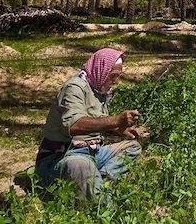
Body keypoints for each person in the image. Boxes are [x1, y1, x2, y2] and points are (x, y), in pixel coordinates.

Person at [33, 47, 147, 199]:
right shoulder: (74, 88)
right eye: (113, 76)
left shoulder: (99, 91)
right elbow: (74, 125)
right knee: (81, 165)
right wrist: (115, 120)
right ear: (102, 70)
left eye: (118, 76)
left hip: (92, 153)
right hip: (61, 157)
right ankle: (102, 206)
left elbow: (95, 119)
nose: (116, 81)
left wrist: (117, 129)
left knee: (132, 148)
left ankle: (100, 180)